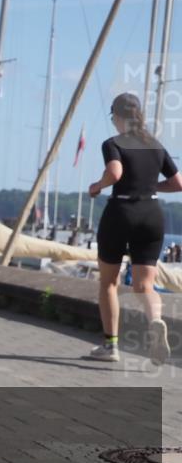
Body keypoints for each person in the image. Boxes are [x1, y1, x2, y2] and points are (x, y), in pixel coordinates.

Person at [86, 92, 182, 364]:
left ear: (117, 116)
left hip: (121, 213)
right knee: (145, 285)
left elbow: (115, 173)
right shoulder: (155, 145)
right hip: (151, 215)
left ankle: (110, 346)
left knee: (109, 282)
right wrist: (152, 187)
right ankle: (156, 321)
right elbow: (178, 183)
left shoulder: (113, 143)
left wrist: (97, 186)